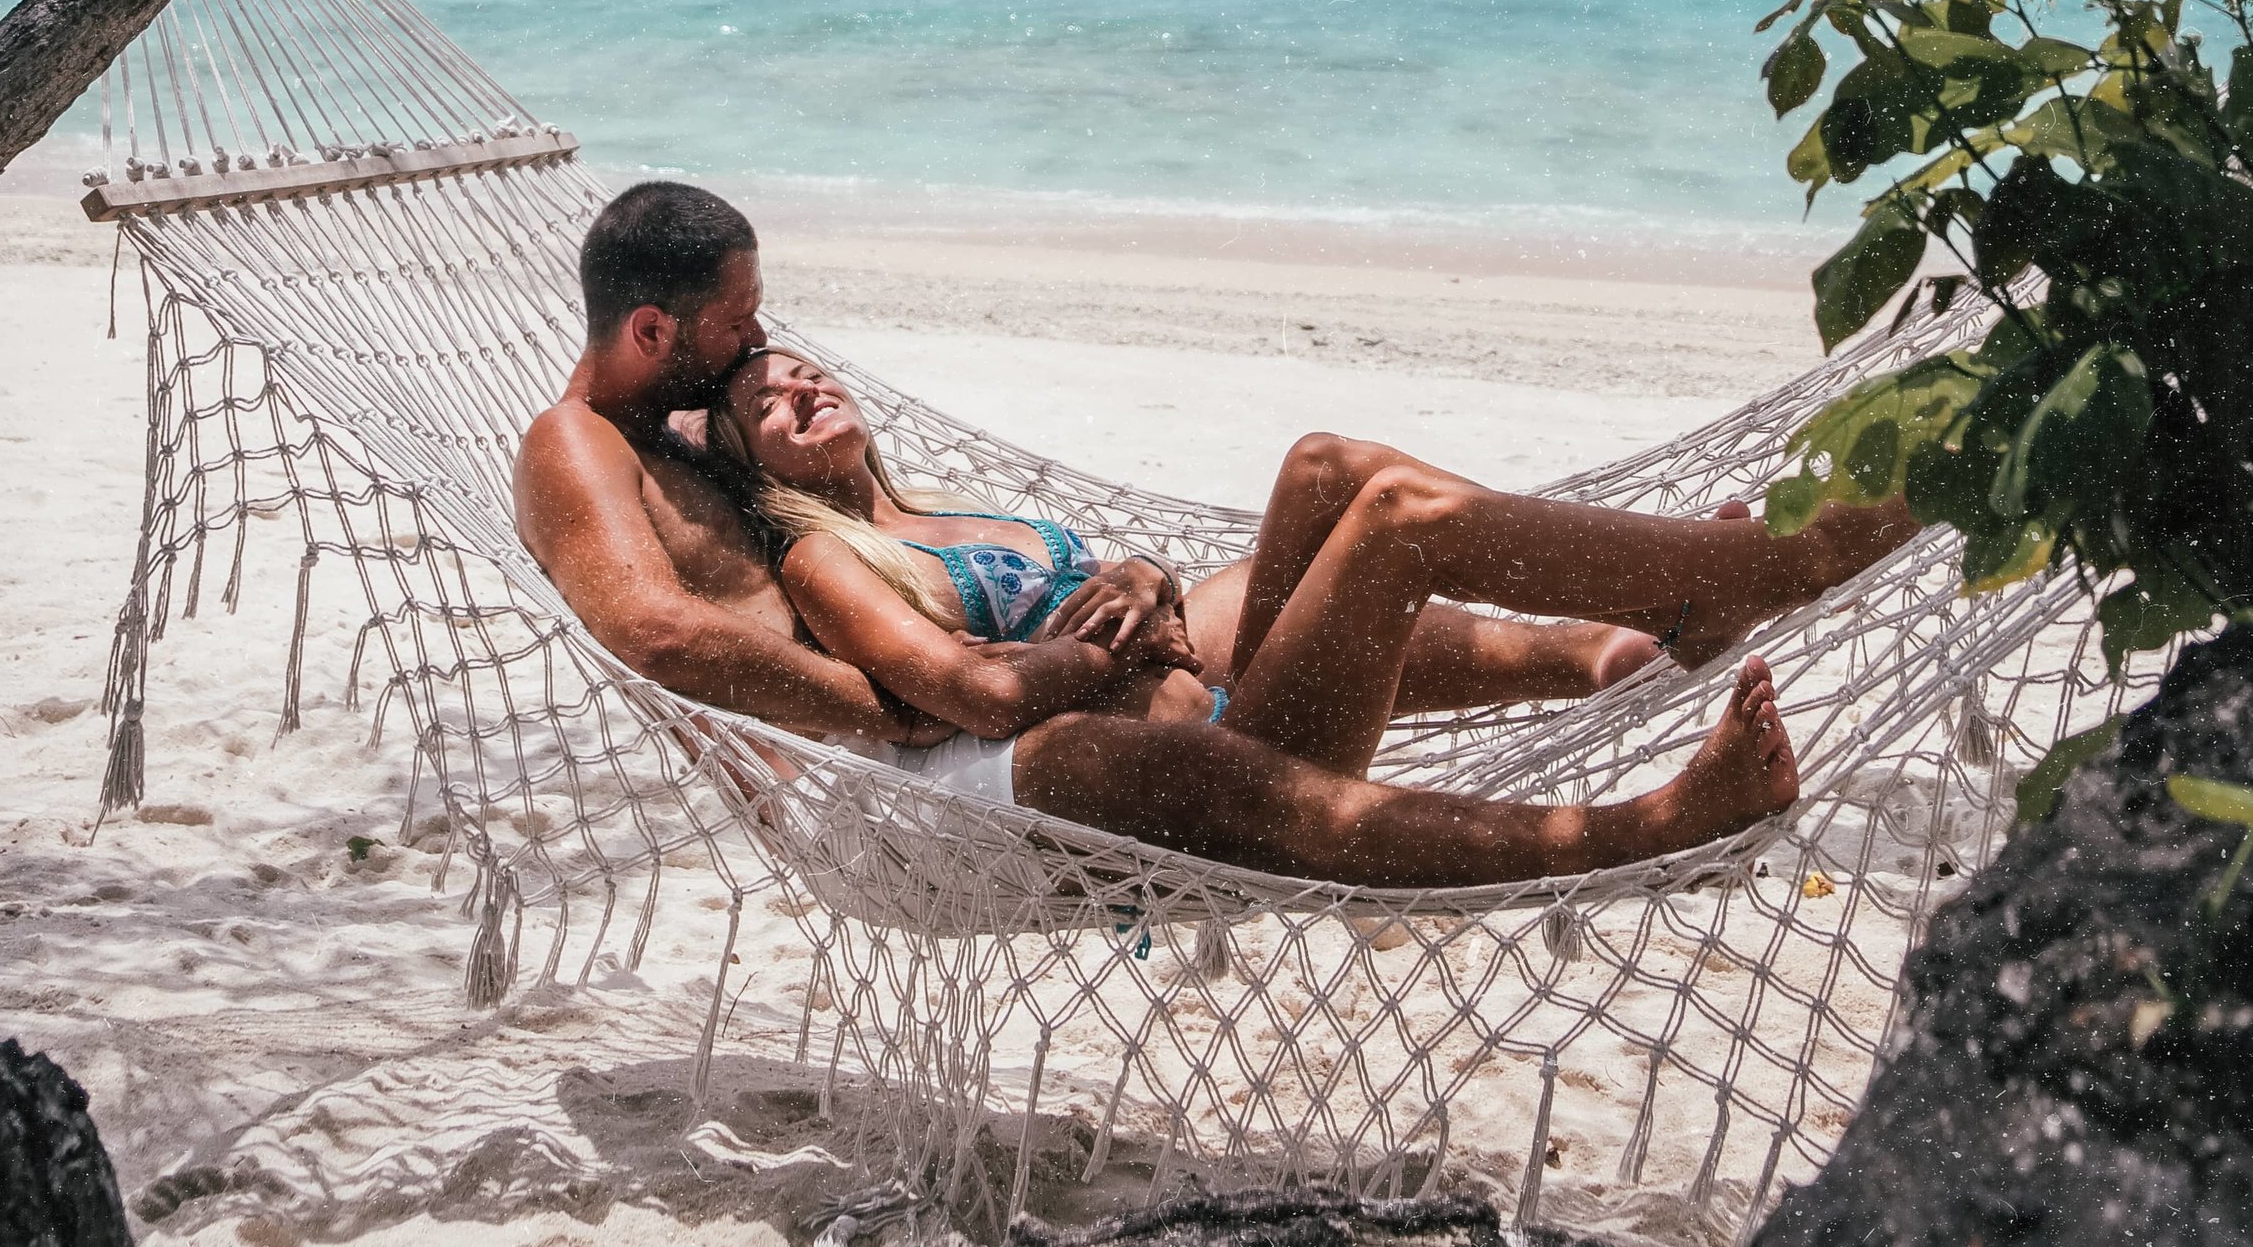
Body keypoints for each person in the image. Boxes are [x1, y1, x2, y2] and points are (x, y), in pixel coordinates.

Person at [515, 180, 1903, 888]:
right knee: (1399, 523)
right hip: (911, 791)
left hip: (983, 700)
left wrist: (1123, 594)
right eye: (740, 327)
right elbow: (658, 629)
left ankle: (1636, 630)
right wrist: (911, 700)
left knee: (1325, 472)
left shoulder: (700, 429)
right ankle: (1747, 612)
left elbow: (875, 529)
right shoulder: (579, 447)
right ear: (654, 332)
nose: (769, 343)